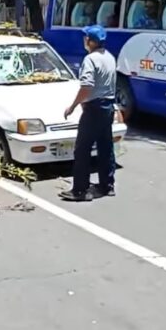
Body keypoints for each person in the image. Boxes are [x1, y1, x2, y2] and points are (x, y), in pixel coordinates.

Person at [60, 25, 116, 202]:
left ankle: (80, 190)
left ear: (91, 41)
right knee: (105, 147)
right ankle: (107, 185)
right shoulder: (109, 57)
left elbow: (87, 87)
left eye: (86, 38)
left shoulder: (90, 60)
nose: (84, 41)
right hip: (108, 107)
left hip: (93, 108)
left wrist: (73, 105)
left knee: (82, 149)